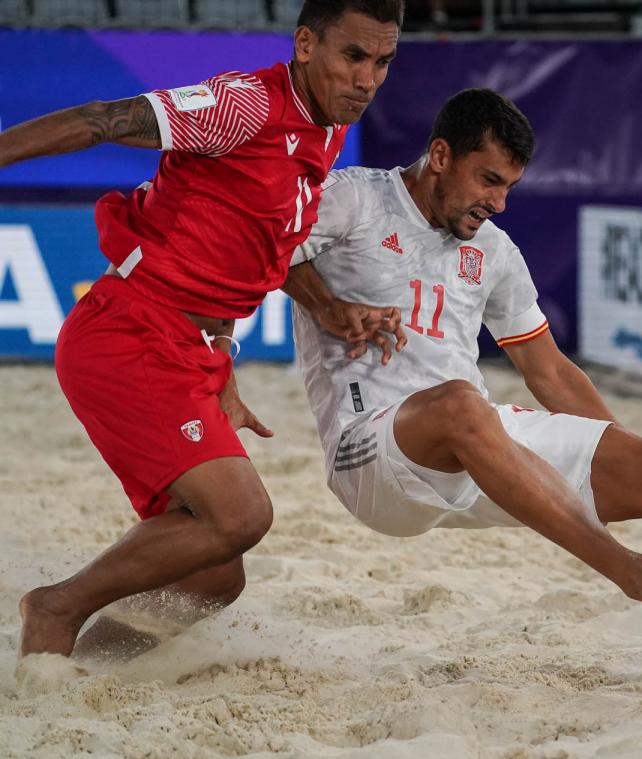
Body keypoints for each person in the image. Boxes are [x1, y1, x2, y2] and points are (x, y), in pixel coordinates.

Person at [287, 89, 642, 679]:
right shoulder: (354, 200)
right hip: (370, 455)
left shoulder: (492, 250)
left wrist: (628, 458)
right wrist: (330, 306)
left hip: (477, 448)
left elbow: (548, 371)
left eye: (509, 188)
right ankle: (635, 576)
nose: (498, 203)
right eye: (488, 180)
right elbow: (263, 250)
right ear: (440, 155)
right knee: (465, 407)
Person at [3, 0, 406, 660]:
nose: (367, 79)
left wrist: (227, 358)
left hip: (186, 350)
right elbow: (101, 119)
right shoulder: (245, 106)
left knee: (214, 575)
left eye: (383, 62)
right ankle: (54, 607)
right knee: (242, 515)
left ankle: (90, 673)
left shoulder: (327, 125)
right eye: (353, 56)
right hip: (127, 332)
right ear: (305, 45)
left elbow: (248, 248)